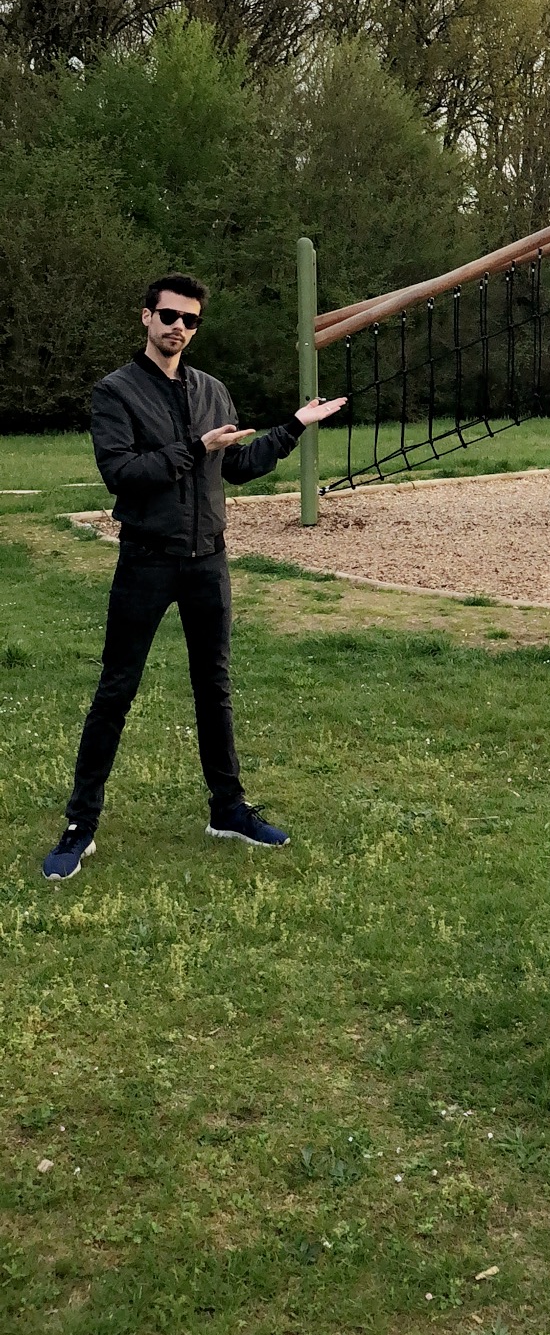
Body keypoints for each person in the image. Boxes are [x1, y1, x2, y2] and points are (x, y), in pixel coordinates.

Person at [42, 274, 345, 882]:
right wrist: (195, 447)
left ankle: (228, 809)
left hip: (208, 560)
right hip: (147, 560)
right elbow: (123, 474)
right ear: (146, 317)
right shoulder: (115, 392)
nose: (179, 327)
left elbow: (236, 466)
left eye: (190, 320)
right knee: (116, 690)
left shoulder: (212, 391)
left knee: (214, 686)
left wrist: (293, 426)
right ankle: (80, 824)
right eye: (169, 316)